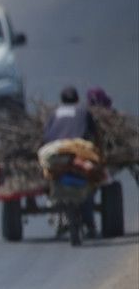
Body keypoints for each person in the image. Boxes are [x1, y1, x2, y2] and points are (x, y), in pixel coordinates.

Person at [43, 85, 99, 238]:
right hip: (77, 152)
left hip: (56, 151)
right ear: (77, 99)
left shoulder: (54, 114)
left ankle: (60, 216)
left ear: (61, 100)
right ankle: (90, 224)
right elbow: (94, 133)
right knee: (88, 184)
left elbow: (46, 136)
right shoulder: (83, 112)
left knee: (52, 177)